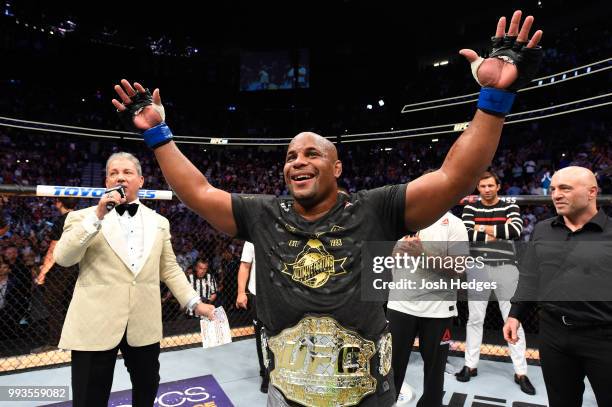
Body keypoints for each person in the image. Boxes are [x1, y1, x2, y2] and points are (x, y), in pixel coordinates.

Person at [112, 11, 543, 406]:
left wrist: (493, 100)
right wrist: (159, 135)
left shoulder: (376, 208)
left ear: (336, 166)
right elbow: (199, 193)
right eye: (290, 156)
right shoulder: (265, 214)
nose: (297, 161)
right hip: (288, 392)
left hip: (365, 393)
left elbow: (455, 177)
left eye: (311, 154)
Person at [53, 152, 215, 407]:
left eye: (127, 172)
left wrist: (195, 302)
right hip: (95, 322)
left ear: (140, 180)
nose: (120, 177)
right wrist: (97, 216)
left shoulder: (159, 222)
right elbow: (63, 258)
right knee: (88, 398)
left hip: (143, 322)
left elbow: (170, 268)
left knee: (147, 389)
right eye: (114, 173)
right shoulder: (81, 217)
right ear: (106, 182)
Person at [504, 166, 612, 407]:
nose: (555, 195)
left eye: (565, 188)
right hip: (553, 333)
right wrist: (515, 314)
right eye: (552, 189)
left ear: (592, 192)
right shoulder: (543, 229)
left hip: (603, 337)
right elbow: (530, 275)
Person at [457, 171, 535, 395]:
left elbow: (515, 231)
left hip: (506, 267)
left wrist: (482, 229)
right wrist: (497, 232)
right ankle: (470, 365)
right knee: (475, 318)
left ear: (498, 186)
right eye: (482, 186)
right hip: (478, 267)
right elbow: (466, 234)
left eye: (491, 185)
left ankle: (521, 371)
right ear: (478, 188)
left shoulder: (510, 206)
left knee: (512, 319)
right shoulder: (470, 208)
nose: (487, 189)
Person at [387, 210, 469, 406]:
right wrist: (397, 253)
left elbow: (459, 268)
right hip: (401, 304)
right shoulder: (403, 219)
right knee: (391, 368)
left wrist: (422, 254)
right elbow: (389, 260)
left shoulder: (454, 224)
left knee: (434, 373)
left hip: (438, 309)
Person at [34, 197, 79, 351]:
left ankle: (56, 342)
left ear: (59, 203)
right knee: (71, 303)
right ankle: (72, 339)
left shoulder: (62, 221)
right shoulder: (80, 218)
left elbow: (53, 249)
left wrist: (43, 273)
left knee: (53, 302)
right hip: (79, 266)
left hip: (62, 267)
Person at [235, 241, 269, 393]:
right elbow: (245, 265)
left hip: (282, 294)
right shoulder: (253, 235)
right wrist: (241, 292)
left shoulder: (286, 227)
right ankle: (266, 374)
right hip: (257, 293)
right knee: (261, 336)